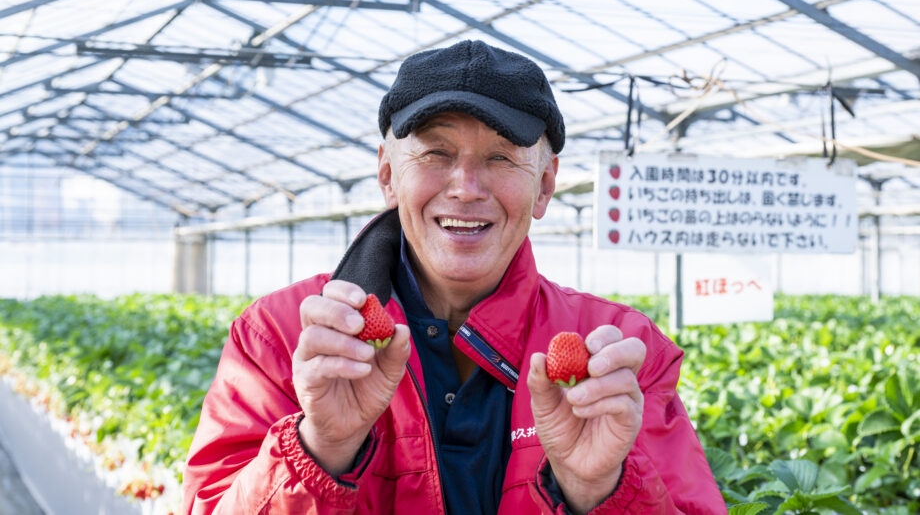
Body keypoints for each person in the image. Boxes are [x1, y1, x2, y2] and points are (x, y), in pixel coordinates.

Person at [181, 40, 725, 514]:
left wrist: (598, 488)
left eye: (501, 158)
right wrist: (320, 446)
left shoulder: (617, 356)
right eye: (436, 153)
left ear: (544, 185)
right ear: (388, 174)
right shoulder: (283, 337)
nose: (466, 186)